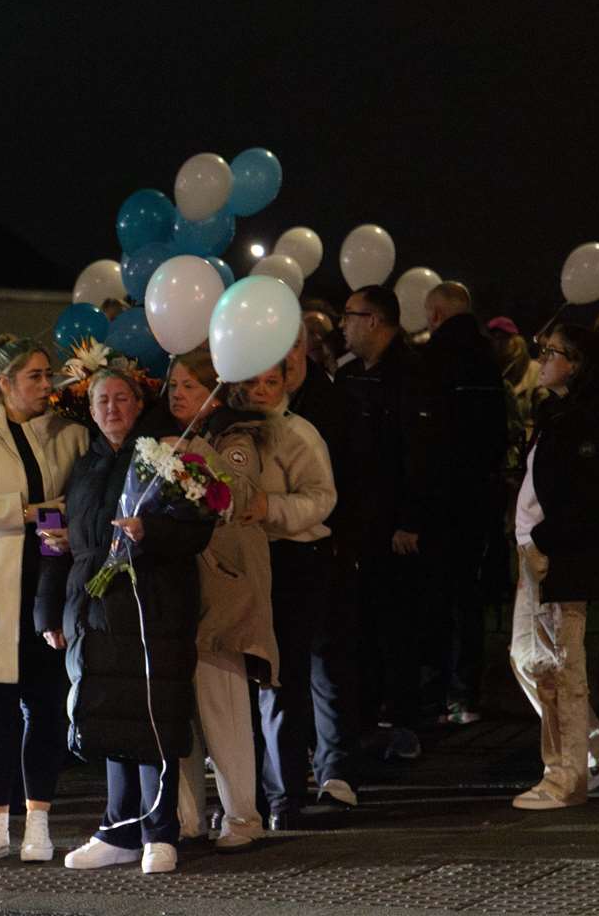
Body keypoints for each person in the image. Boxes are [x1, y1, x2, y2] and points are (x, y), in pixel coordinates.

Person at [56, 370, 218, 875]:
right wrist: (53, 606)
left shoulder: (163, 453)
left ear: (139, 402)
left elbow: (197, 526)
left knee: (155, 716)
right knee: (111, 714)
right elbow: (76, 544)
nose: (111, 408)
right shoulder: (86, 464)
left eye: (121, 398)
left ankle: (159, 831)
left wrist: (149, 530)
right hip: (97, 612)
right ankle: (118, 828)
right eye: (102, 399)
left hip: (154, 606)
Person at [0, 336, 88, 867]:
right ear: (4, 384)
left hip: (48, 587)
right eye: (34, 376)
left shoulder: (69, 435)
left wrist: (55, 519)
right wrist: (28, 512)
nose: (46, 385)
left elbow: (78, 500)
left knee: (46, 706)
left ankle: (40, 822)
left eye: (49, 375)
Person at [509, 323, 599, 809]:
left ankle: (564, 776)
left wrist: (543, 541)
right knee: (527, 656)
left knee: (558, 667)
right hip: (535, 551)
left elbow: (584, 498)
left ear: (577, 363)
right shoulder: (556, 412)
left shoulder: (584, 420)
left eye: (551, 352)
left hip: (557, 554)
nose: (540, 359)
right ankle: (597, 750)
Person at [165, 349, 275, 850]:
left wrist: (188, 458)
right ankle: (188, 816)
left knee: (223, 710)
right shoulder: (170, 437)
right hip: (181, 593)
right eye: (173, 387)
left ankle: (241, 817)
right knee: (182, 713)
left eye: (190, 386)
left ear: (213, 393)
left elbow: (236, 490)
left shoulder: (236, 438)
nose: (179, 395)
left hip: (223, 594)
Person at [233, 359, 338, 832]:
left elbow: (322, 497)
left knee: (282, 682)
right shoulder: (225, 430)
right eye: (252, 379)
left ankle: (284, 794)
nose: (261, 389)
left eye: (271, 380)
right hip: (239, 563)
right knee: (238, 683)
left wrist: (270, 507)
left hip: (291, 561)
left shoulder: (300, 435)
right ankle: (245, 795)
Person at [411, 282, 509, 725]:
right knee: (467, 600)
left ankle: (439, 690)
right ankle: (467, 691)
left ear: (434, 314)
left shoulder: (433, 361)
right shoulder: (489, 358)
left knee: (435, 598)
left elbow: (425, 440)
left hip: (440, 495)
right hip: (478, 494)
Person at [334, 284, 424, 759]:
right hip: (357, 522)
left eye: (349, 315)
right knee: (361, 625)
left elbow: (420, 454)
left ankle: (402, 719)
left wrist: (409, 519)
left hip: (393, 528)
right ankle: (365, 717)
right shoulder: (351, 377)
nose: (341, 325)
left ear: (374, 320)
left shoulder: (410, 377)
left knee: (397, 626)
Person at [280, 326, 360, 810]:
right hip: (275, 554)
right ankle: (286, 771)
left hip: (326, 547)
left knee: (326, 662)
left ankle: (335, 769)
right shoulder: (251, 407)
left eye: (293, 346)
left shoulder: (332, 403)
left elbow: (354, 475)